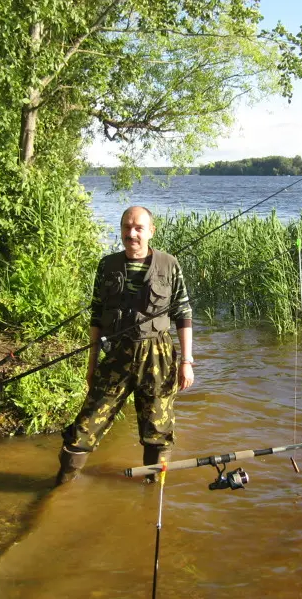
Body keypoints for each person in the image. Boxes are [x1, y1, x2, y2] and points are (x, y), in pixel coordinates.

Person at [55, 206, 194, 486]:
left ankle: (153, 494)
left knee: (158, 430)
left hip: (157, 357)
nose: (132, 234)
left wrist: (187, 362)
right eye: (126, 227)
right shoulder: (107, 266)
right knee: (85, 426)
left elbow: (183, 313)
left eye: (139, 228)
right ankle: (60, 486)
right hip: (116, 356)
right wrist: (91, 365)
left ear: (151, 231)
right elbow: (96, 316)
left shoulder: (169, 264)